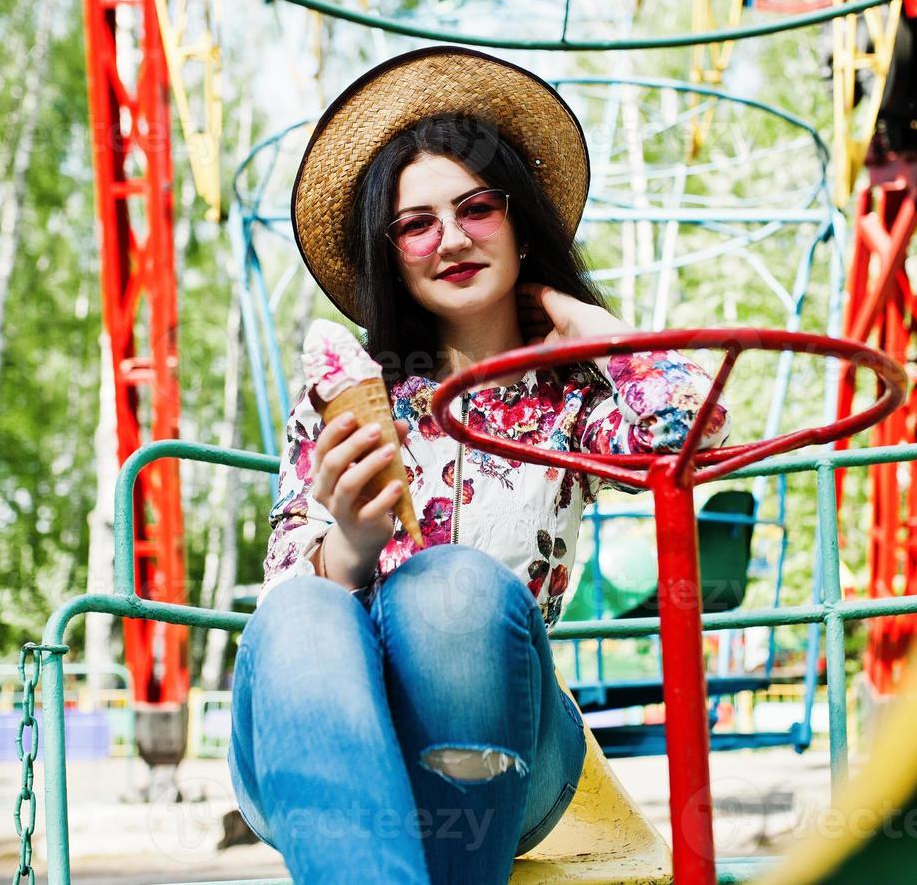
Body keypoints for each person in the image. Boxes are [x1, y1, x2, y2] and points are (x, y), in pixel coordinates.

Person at [227, 45, 730, 884]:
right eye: (417, 223)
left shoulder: (573, 401)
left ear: (519, 222)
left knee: (452, 587)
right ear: (391, 252)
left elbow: (696, 437)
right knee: (303, 613)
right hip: (323, 746)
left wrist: (599, 337)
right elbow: (288, 609)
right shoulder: (349, 397)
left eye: (477, 209)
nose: (450, 238)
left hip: (505, 750)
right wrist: (351, 542)